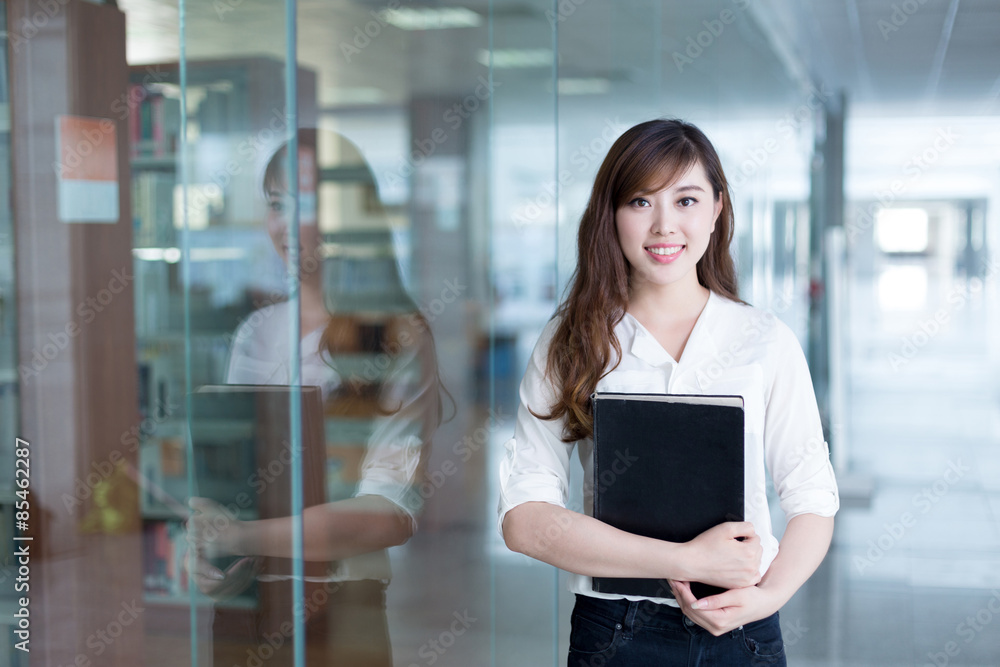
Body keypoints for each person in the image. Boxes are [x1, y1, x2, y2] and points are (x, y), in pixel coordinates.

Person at [499, 119, 839, 665]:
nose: (664, 226)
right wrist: (688, 559)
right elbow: (523, 518)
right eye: (640, 201)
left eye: (686, 200)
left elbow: (813, 498)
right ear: (610, 213)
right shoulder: (572, 340)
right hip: (616, 631)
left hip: (744, 627)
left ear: (716, 209)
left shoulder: (764, 340)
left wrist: (765, 596)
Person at [187, 131, 444, 666]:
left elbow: (389, 512)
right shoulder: (254, 332)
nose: (285, 224)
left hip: (343, 608)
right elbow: (228, 479)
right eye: (276, 204)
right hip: (246, 605)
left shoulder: (397, 336)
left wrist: (239, 534)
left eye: (306, 203)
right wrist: (205, 546)